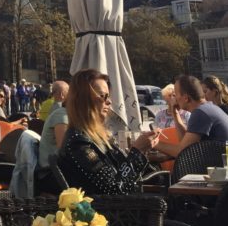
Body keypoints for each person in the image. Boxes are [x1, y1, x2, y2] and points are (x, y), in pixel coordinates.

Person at [58, 68, 160, 196]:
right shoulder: (78, 143)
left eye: (109, 96)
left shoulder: (96, 136)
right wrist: (137, 152)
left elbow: (123, 174)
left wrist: (141, 150)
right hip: (109, 213)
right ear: (83, 100)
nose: (109, 101)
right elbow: (113, 189)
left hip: (124, 209)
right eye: (103, 96)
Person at [155, 74, 228, 160]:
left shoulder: (201, 113)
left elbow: (183, 152)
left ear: (186, 98)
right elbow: (185, 144)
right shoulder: (207, 108)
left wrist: (153, 143)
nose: (174, 99)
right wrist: (175, 114)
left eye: (175, 95)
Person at [38, 80, 69, 173]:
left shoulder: (47, 103)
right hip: (51, 170)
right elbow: (63, 148)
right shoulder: (61, 112)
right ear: (62, 94)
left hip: (43, 139)